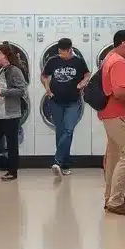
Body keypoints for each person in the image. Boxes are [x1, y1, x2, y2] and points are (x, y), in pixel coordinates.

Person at [99, 29, 125, 215]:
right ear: (123, 43)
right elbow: (119, 91)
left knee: (114, 157)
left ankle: (111, 197)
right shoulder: (119, 62)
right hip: (120, 115)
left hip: (110, 114)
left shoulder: (109, 58)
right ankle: (116, 200)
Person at [41, 37, 90, 177]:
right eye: (59, 51)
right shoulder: (53, 61)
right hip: (55, 101)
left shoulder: (78, 61)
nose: (60, 53)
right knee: (61, 131)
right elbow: (44, 76)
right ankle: (64, 164)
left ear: (69, 49)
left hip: (73, 102)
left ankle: (57, 161)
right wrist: (47, 90)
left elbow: (87, 74)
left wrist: (83, 83)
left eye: (63, 51)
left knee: (68, 130)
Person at [0, 43, 27, 181]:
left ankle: (12, 171)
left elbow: (21, 90)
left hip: (11, 114)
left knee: (12, 144)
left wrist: (1, 92)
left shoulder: (14, 71)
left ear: (6, 55)